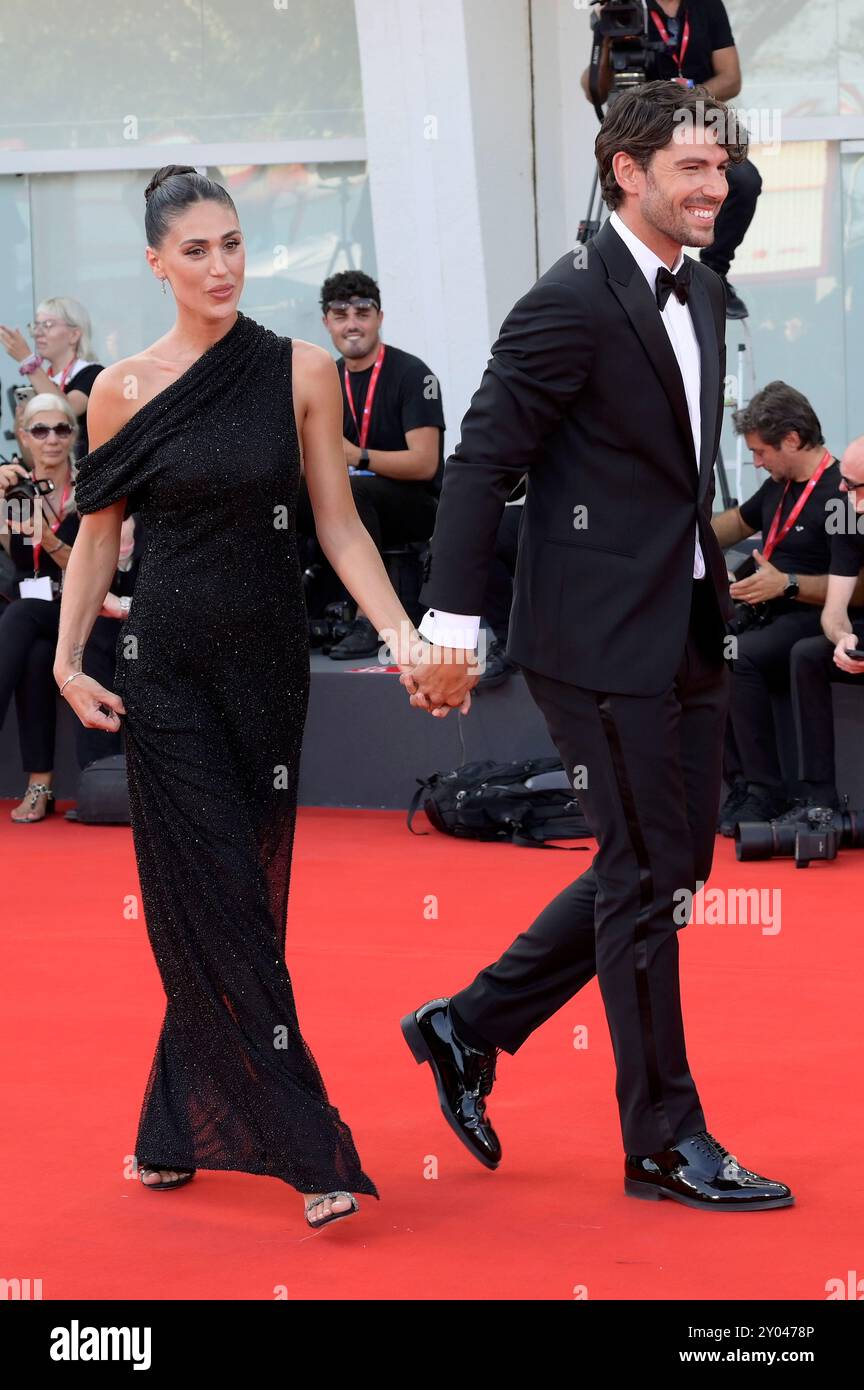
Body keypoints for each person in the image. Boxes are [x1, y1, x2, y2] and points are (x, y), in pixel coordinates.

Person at [400, 83, 794, 1211]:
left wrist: (696, 88)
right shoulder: (565, 303)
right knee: (642, 880)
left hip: (682, 621)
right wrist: (450, 620)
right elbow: (479, 462)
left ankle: (466, 1024)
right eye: (691, 168)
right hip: (593, 640)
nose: (715, 186)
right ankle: (666, 1138)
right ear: (625, 173)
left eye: (721, 168)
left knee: (677, 868)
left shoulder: (704, 289)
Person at [54, 164, 429, 1229]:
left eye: (232, 244)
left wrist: (399, 633)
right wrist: (69, 656)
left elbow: (338, 524)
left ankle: (175, 1123)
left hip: (267, 673)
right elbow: (98, 538)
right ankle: (305, 1142)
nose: (221, 266)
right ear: (156, 263)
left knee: (243, 905)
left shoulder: (300, 370)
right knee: (211, 894)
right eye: (197, 250)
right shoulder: (119, 388)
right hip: (164, 670)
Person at [711, 382, 847, 833]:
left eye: (760, 451)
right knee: (712, 644)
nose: (756, 462)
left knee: (740, 656)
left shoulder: (841, 491)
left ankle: (766, 789)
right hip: (770, 607)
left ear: (792, 438)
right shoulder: (778, 485)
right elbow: (731, 526)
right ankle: (744, 785)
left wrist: (786, 585)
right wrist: (676, 535)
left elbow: (858, 588)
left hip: (815, 612)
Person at [294, 270, 445, 659]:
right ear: (327, 322)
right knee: (285, 497)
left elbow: (425, 464)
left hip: (415, 506)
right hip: (350, 500)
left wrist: (356, 456)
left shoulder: (412, 374)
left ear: (379, 317)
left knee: (354, 492)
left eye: (363, 312)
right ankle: (289, 616)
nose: (352, 324)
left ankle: (371, 621)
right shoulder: (323, 376)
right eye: (340, 314)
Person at [581, 0, 761, 317]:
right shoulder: (623, 5)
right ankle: (627, 281)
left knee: (745, 180)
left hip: (701, 122)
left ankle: (715, 272)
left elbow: (730, 78)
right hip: (645, 129)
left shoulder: (707, 6)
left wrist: (685, 101)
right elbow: (595, 89)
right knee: (640, 197)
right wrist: (604, 33)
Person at [0, 393, 126, 821]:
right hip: (35, 613)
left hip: (87, 611)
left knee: (19, 616)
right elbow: (10, 558)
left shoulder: (91, 488)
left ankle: (68, 783)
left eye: (62, 429)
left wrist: (48, 540)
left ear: (74, 436)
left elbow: (100, 568)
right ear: (24, 437)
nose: (52, 439)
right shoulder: (16, 491)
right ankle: (40, 787)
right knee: (34, 654)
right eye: (40, 430)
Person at [787, 437, 864, 814]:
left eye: (851, 483)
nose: (840, 488)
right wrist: (841, 638)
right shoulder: (848, 514)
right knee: (808, 654)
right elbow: (833, 612)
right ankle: (821, 802)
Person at [1, 297, 104, 458]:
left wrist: (28, 361)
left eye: (48, 325)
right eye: (36, 325)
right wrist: (21, 429)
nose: (38, 333)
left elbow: (67, 409)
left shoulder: (93, 374)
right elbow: (32, 459)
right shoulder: (42, 382)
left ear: (74, 334)